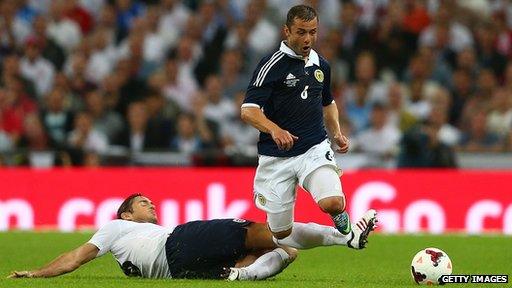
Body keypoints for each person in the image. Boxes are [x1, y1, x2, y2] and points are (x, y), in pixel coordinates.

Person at [241, 5, 377, 243]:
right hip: (276, 157)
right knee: (280, 233)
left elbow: (328, 102)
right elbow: (248, 110)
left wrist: (336, 132)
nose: (308, 38)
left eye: (313, 32)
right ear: (287, 31)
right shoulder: (271, 65)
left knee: (332, 203)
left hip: (313, 148)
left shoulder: (321, 65)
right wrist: (274, 129)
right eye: (301, 32)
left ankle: (345, 230)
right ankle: (345, 238)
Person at [7, 193, 377, 281]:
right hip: (180, 243)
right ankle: (346, 238)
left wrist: (36, 275)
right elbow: (77, 255)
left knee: (288, 251)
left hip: (181, 271)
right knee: (264, 231)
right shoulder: (115, 228)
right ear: (124, 214)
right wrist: (39, 273)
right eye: (142, 203)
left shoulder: (130, 248)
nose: (150, 205)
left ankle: (241, 275)